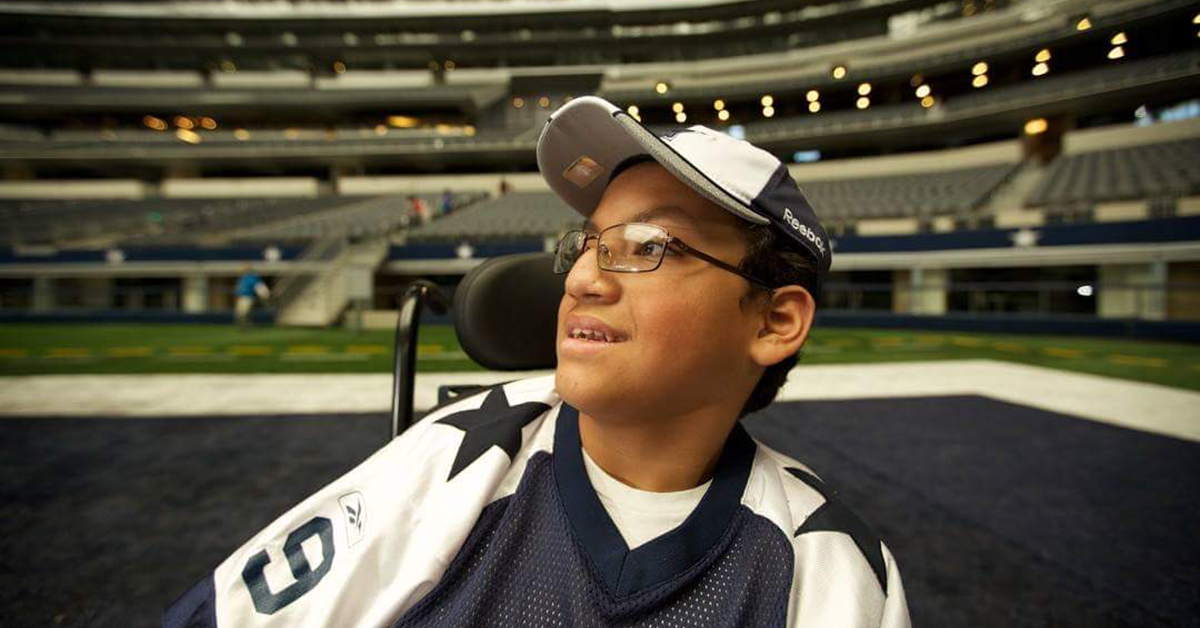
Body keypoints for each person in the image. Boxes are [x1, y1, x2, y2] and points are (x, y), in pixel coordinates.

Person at [165, 96, 910, 628]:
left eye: (648, 246)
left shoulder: (828, 566)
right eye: (586, 243)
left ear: (775, 321)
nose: (583, 279)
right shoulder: (451, 462)